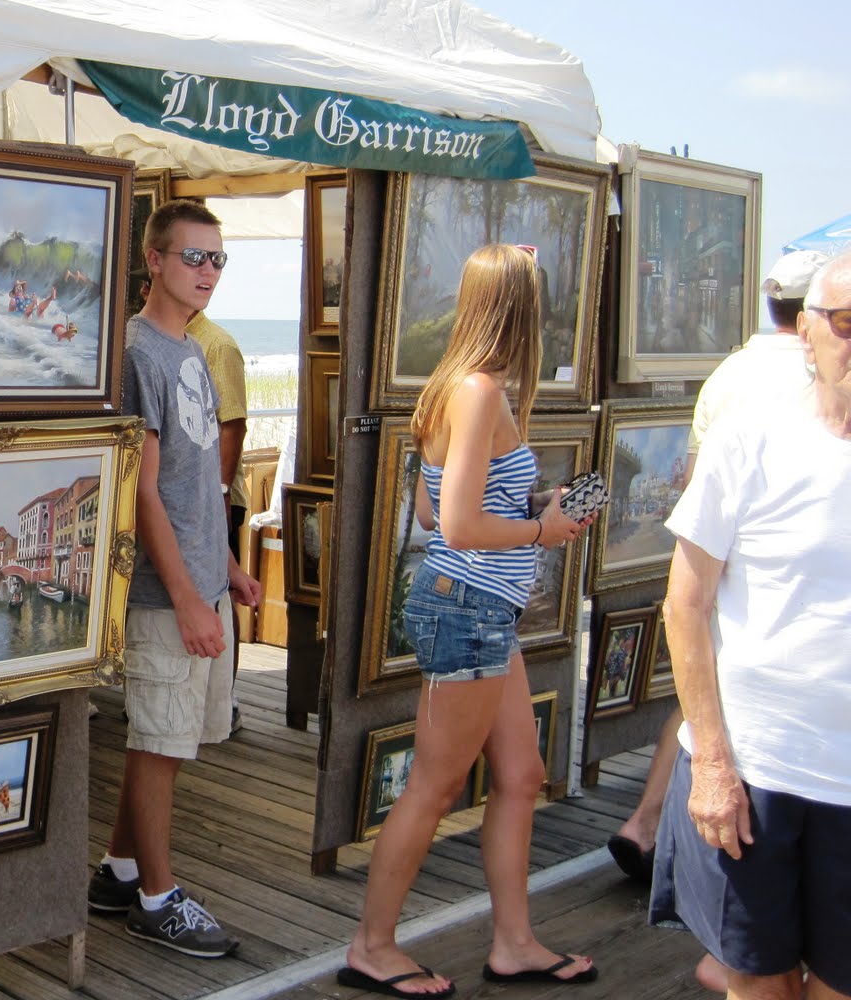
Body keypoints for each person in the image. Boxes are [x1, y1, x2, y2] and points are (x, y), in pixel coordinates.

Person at [343, 244, 595, 998]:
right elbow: (451, 525)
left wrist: (527, 510)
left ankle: (513, 942)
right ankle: (372, 946)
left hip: (478, 608)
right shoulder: (482, 390)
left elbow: (427, 505)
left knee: (521, 775)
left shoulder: (454, 386)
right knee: (435, 784)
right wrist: (541, 532)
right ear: (523, 307)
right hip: (469, 608)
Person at [608, 250, 826, 994]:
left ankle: (641, 824)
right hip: (761, 766)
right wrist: (713, 768)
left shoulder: (729, 376)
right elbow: (687, 599)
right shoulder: (757, 435)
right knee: (756, 978)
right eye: (848, 323)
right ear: (808, 330)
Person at [85, 200, 261, 958]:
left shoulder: (192, 350)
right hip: (163, 595)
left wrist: (223, 565)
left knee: (168, 742)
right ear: (153, 261)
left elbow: (201, 483)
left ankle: (120, 870)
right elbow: (142, 491)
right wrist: (188, 595)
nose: (208, 272)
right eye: (194, 257)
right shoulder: (136, 353)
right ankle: (158, 897)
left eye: (218, 260)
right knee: (159, 743)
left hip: (200, 579)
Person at [185, 306, 250, 734]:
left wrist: (220, 492)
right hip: (190, 497)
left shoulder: (218, 345)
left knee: (222, 592)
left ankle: (224, 700)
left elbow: (234, 425)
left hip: (218, 493)